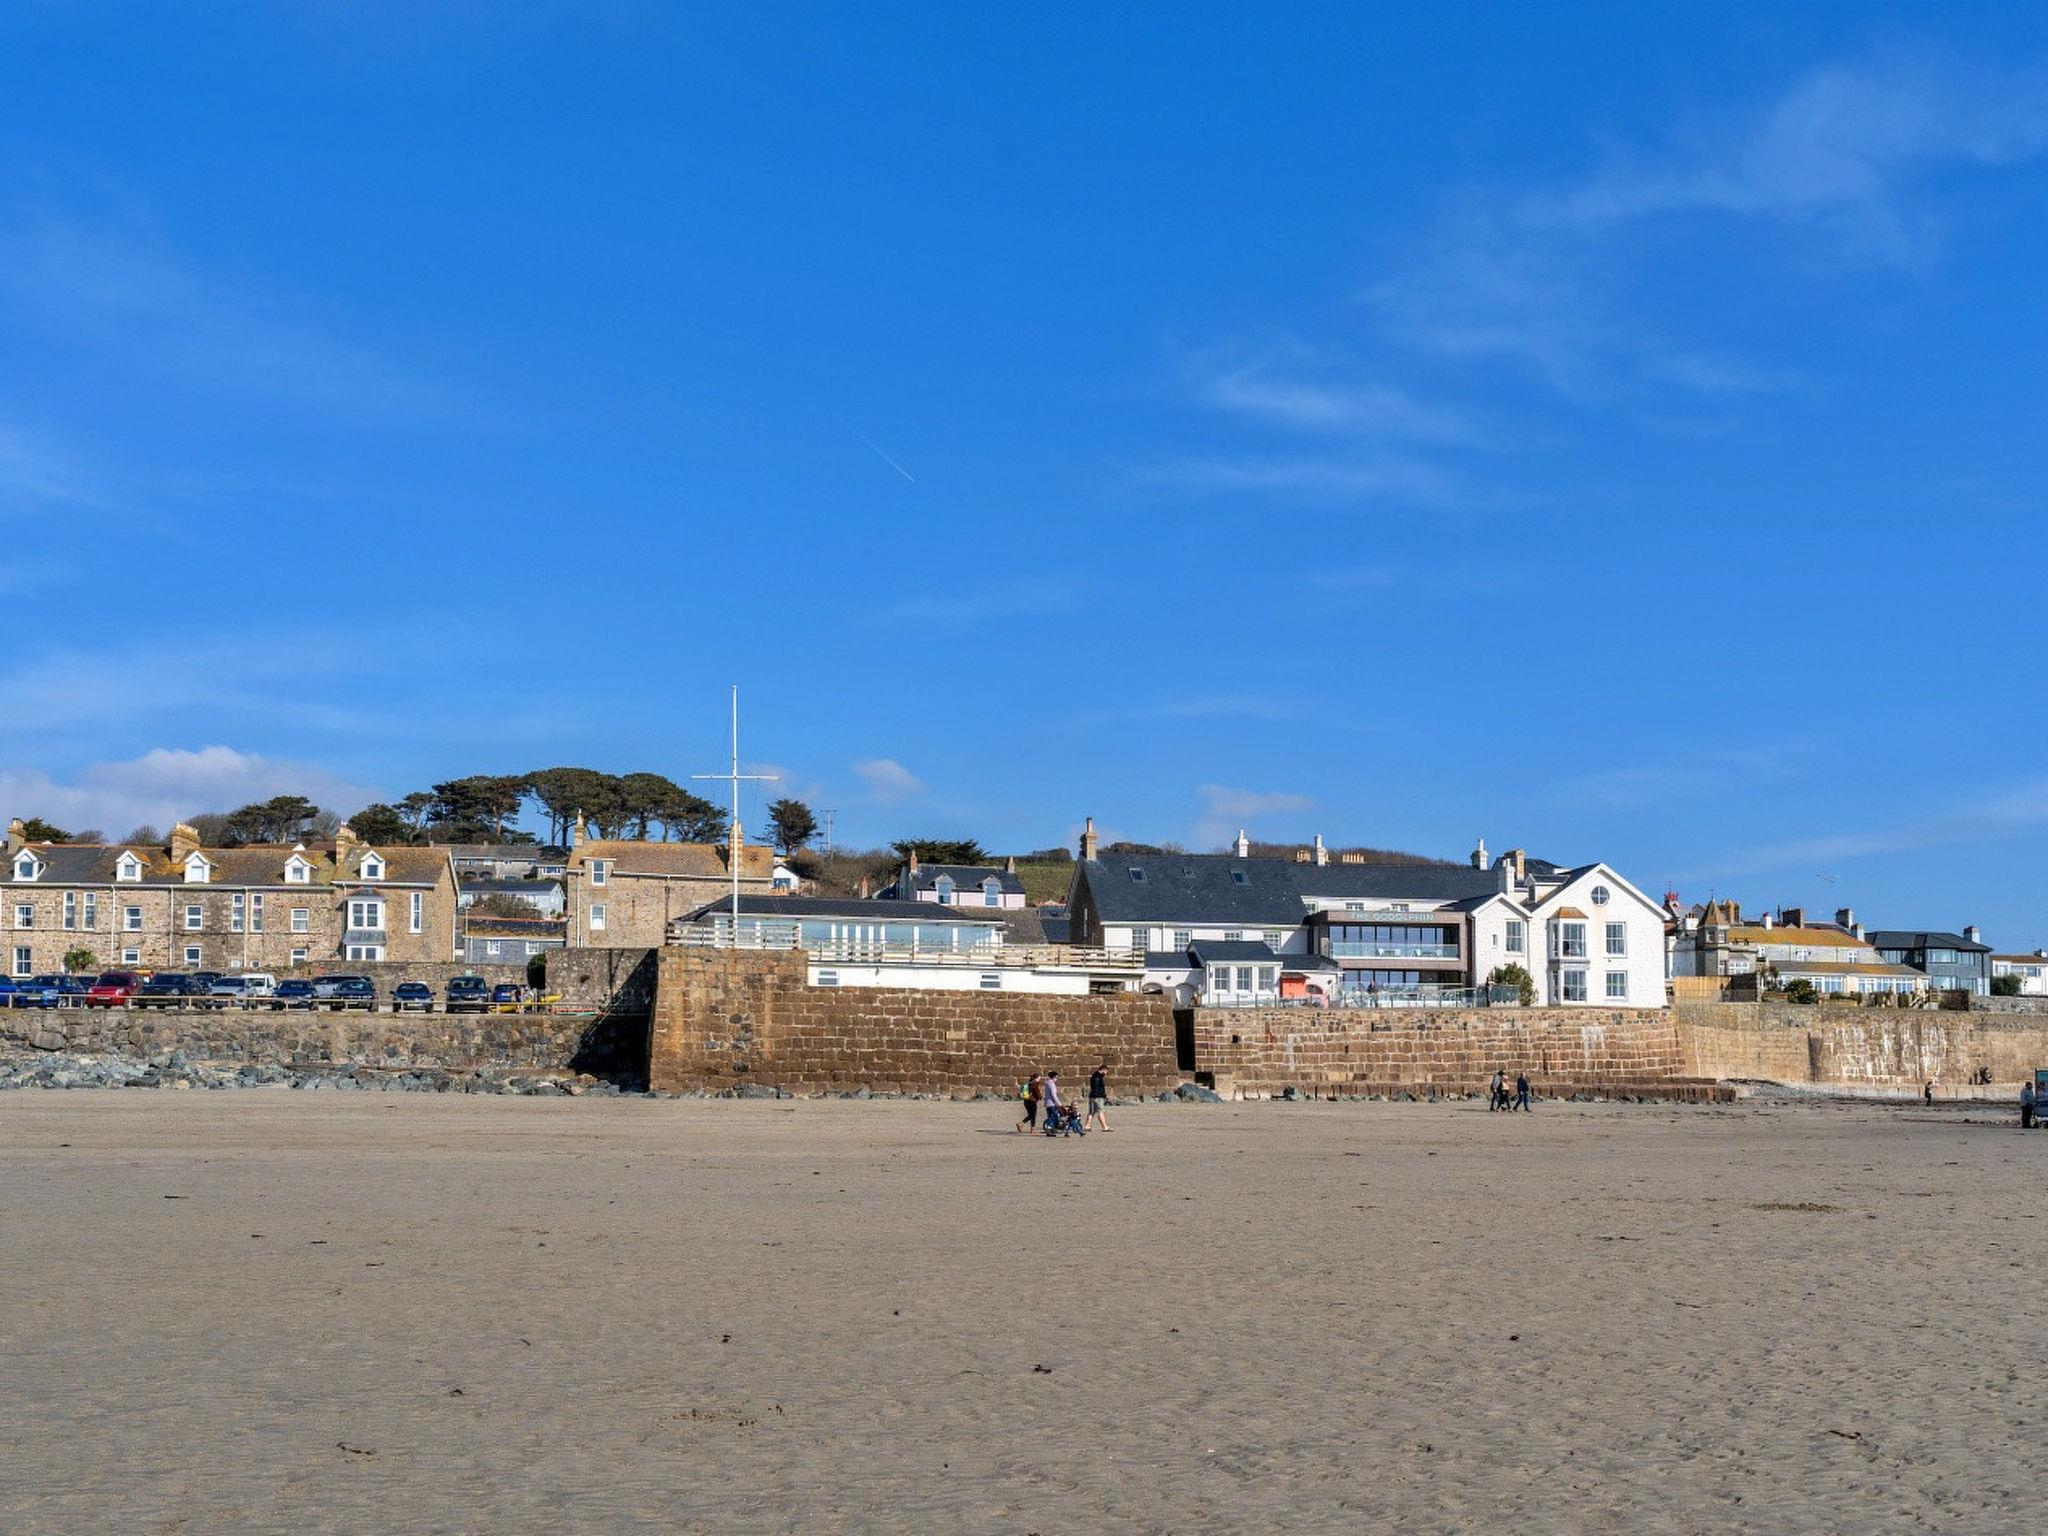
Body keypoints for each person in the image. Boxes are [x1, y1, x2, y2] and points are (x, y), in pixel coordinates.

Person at [1086, 1063, 1113, 1133]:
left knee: (1091, 1112)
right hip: (1098, 1097)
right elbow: (1097, 1088)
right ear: (1103, 1069)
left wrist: (1104, 1096)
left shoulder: (1094, 1076)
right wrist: (1102, 1096)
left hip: (1092, 1096)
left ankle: (1087, 1126)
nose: (1106, 1073)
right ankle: (1105, 1127)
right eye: (1106, 1071)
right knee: (1101, 1111)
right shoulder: (1098, 1077)